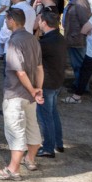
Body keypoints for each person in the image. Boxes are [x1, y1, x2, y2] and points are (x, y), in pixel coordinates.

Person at [0, 9, 44, 181]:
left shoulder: (14, 42)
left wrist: (33, 90)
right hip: (30, 94)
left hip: (15, 93)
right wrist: (38, 88)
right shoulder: (33, 39)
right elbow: (39, 68)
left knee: (15, 131)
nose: (5, 22)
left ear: (12, 20)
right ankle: (30, 159)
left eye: (6, 19)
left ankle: (13, 169)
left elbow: (20, 72)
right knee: (32, 126)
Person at [36, 11, 65, 157]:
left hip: (47, 83)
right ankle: (58, 143)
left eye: (40, 20)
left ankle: (48, 148)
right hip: (57, 80)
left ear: (44, 23)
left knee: (45, 116)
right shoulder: (60, 38)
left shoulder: (45, 43)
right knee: (53, 113)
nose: (38, 22)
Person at [61, 0, 91, 94]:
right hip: (73, 37)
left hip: (78, 39)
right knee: (76, 64)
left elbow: (85, 21)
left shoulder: (79, 2)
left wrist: (81, 35)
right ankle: (79, 84)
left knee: (79, 64)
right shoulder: (75, 0)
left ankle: (81, 87)